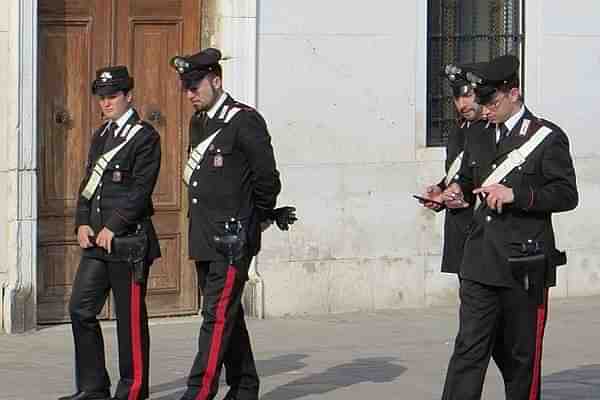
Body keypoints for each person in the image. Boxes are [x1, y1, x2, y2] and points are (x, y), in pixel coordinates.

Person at [440, 55, 578, 400]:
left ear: (513, 93)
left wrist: (518, 194)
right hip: (479, 259)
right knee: (468, 350)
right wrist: (452, 194)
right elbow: (468, 181)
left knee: (520, 359)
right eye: (481, 101)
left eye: (491, 101)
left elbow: (565, 194)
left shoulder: (546, 138)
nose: (483, 109)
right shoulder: (478, 134)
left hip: (523, 264)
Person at [170, 48, 295, 400]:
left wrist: (254, 221)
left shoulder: (244, 120)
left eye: (196, 85)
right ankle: (245, 386)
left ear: (217, 80)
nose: (190, 93)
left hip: (233, 237)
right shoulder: (199, 122)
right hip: (205, 234)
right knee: (228, 312)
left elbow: (267, 178)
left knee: (216, 315)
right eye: (186, 87)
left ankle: (199, 392)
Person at [59, 66, 162, 400]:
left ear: (128, 96)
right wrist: (83, 222)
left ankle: (132, 391)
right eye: (102, 97)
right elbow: (89, 184)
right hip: (97, 241)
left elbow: (140, 191)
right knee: (80, 308)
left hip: (128, 242)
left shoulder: (145, 136)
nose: (106, 103)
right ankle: (93, 387)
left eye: (113, 96)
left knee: (129, 323)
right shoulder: (101, 135)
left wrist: (112, 226)